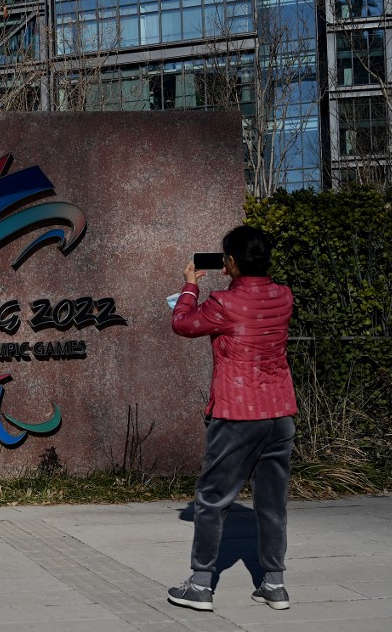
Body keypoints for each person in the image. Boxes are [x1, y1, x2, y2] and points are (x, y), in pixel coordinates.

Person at [166, 225, 297, 612]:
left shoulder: (224, 303)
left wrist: (190, 286)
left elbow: (183, 324)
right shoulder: (284, 296)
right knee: (272, 503)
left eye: (226, 258)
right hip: (280, 413)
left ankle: (201, 585)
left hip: (238, 412)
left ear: (231, 263)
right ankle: (274, 585)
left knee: (211, 500)